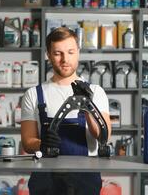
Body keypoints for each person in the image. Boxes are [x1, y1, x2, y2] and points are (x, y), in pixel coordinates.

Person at [21, 27, 112, 195]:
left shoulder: (96, 92)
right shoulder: (33, 94)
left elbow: (103, 136)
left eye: (70, 52)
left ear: (78, 52)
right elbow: (27, 143)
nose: (65, 59)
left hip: (85, 179)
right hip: (45, 180)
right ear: (48, 55)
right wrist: (41, 144)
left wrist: (87, 105)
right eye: (58, 53)